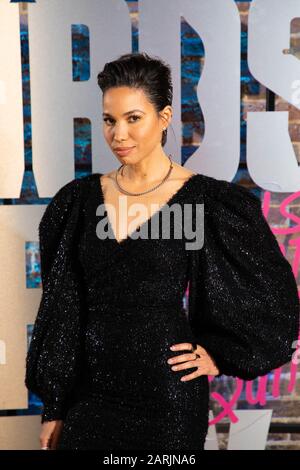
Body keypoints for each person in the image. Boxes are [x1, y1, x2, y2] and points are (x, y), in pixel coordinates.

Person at [25, 52, 300, 451]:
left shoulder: (204, 202)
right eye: (109, 120)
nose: (118, 134)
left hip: (167, 401)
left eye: (133, 118)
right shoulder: (78, 202)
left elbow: (273, 299)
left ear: (165, 117)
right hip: (90, 396)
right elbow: (64, 307)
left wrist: (220, 355)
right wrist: (55, 406)